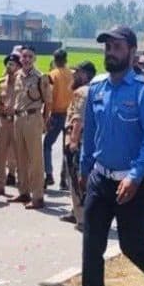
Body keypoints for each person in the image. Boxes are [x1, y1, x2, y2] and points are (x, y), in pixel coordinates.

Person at [74, 25, 144, 286]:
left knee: (132, 246)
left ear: (132, 52)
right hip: (100, 179)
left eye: (117, 47)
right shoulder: (97, 87)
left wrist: (136, 176)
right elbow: (90, 132)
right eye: (107, 47)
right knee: (91, 246)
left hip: (131, 185)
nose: (110, 52)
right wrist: (85, 168)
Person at [11, 46, 52, 209]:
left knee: (35, 160)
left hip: (33, 118)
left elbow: (48, 102)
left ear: (34, 59)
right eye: (24, 56)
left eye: (30, 56)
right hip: (18, 119)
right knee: (20, 158)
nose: (26, 59)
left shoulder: (41, 77)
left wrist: (44, 120)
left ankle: (38, 196)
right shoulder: (17, 76)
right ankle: (24, 192)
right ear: (20, 58)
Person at [60, 60, 97, 229]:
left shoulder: (82, 92)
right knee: (76, 178)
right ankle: (75, 211)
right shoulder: (93, 89)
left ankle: (82, 218)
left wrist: (73, 140)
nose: (73, 75)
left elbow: (78, 119)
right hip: (87, 139)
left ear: (85, 75)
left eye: (77, 72)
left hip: (78, 139)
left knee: (76, 178)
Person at [0, 53, 21, 196]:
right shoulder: (1, 82)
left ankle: (23, 187)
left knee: (19, 155)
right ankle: (0, 185)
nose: (9, 66)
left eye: (12, 64)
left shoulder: (22, 84)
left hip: (17, 122)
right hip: (3, 121)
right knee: (0, 155)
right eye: (8, 64)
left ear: (18, 67)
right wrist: (0, 120)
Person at [45, 48, 73, 190]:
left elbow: (49, 98)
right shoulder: (72, 74)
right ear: (66, 59)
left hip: (56, 114)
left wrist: (47, 116)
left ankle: (49, 173)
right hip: (69, 114)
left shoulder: (52, 75)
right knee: (66, 149)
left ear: (54, 60)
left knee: (47, 144)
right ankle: (64, 179)